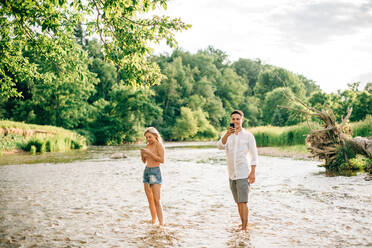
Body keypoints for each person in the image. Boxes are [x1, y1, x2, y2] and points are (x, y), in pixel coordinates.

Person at [217, 110, 258, 231]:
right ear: (231, 120)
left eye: (237, 119)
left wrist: (253, 171)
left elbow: (254, 155)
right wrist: (226, 134)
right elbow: (219, 146)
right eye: (233, 119)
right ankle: (243, 224)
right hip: (232, 174)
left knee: (243, 201)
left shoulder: (248, 136)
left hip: (243, 173)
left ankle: (245, 228)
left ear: (242, 120)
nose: (235, 121)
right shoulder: (227, 136)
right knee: (238, 202)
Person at [140, 127, 165, 226]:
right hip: (146, 171)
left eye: (150, 137)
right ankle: (153, 220)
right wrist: (142, 154)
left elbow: (162, 160)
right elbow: (144, 161)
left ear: (155, 135)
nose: (148, 139)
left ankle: (161, 224)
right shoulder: (147, 145)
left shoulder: (159, 146)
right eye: (146, 138)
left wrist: (149, 153)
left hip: (155, 172)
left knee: (157, 200)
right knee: (149, 199)